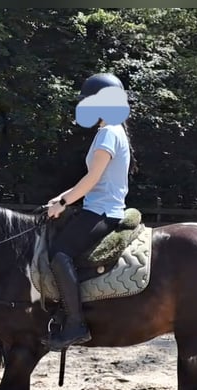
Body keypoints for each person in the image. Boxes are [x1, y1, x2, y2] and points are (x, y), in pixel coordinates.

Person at [43, 72, 135, 351]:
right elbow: (92, 181)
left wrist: (63, 203)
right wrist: (61, 197)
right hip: (102, 207)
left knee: (60, 255)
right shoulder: (113, 130)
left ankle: (75, 325)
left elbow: (92, 180)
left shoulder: (108, 132)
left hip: (102, 212)